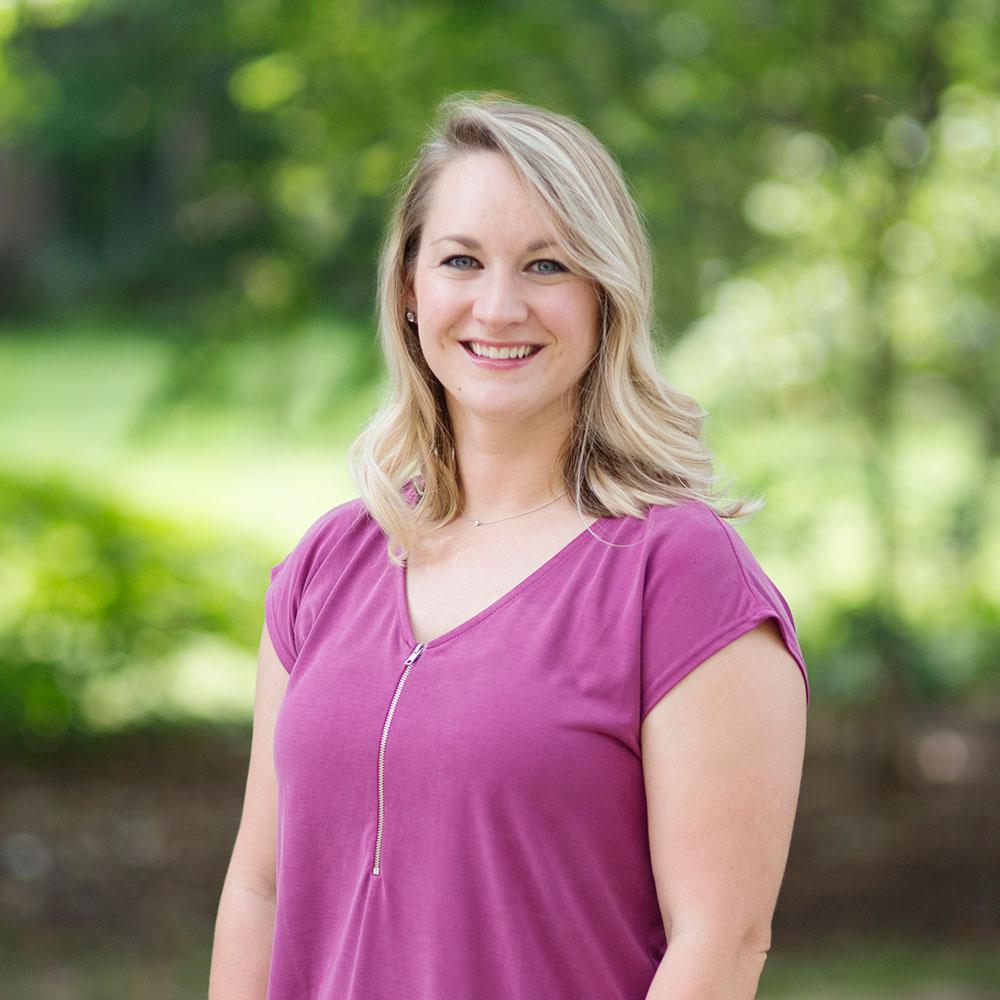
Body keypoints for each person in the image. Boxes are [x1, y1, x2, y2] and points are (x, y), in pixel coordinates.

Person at [208, 91, 810, 1000]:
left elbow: (721, 941)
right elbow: (259, 889)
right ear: (411, 290)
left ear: (606, 295)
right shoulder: (326, 566)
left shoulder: (677, 575)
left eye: (546, 265)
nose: (499, 305)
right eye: (461, 260)